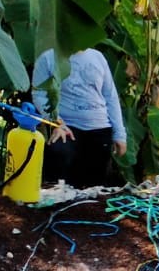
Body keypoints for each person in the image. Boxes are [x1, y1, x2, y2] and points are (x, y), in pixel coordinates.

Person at [31, 47, 126, 189]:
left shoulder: (98, 57)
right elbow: (39, 94)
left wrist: (120, 134)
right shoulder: (48, 58)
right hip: (67, 128)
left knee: (94, 191)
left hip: (100, 129)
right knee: (59, 179)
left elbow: (110, 97)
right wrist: (56, 122)